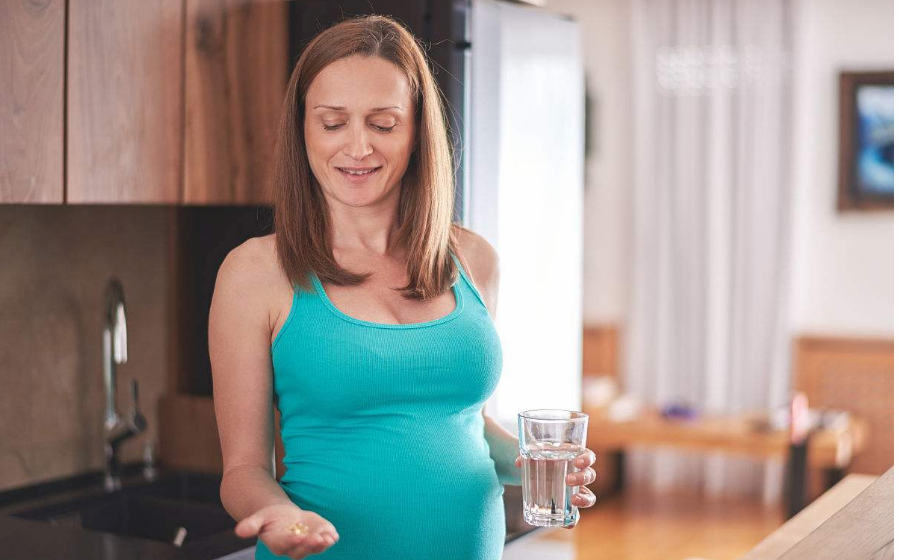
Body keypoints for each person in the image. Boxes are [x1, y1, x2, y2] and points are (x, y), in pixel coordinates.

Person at [208, 14, 597, 560]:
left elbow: (460, 422)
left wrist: (528, 461)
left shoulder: (473, 259)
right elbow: (244, 470)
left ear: (417, 132)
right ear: (302, 130)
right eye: (332, 122)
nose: (358, 147)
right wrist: (280, 515)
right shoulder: (255, 273)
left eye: (383, 124)